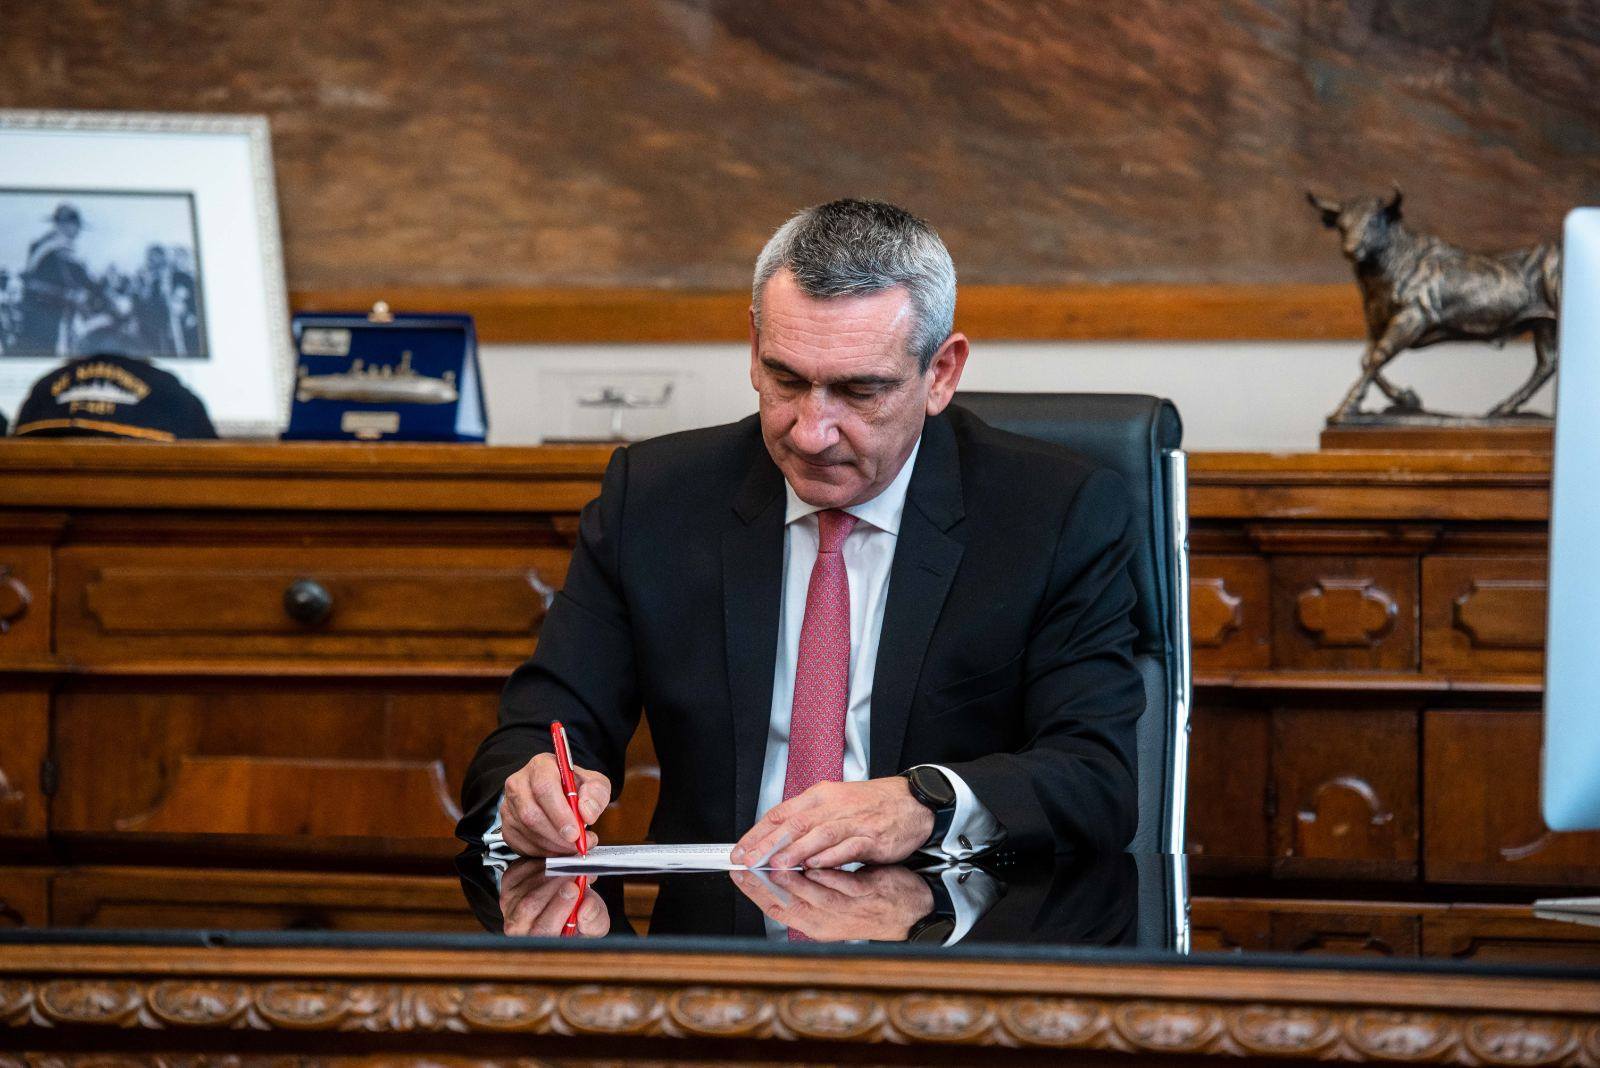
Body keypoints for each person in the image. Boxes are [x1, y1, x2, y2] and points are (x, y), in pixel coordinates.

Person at [459, 198, 1144, 870]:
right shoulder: (657, 498)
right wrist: (532, 793)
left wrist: (924, 804)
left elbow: (1094, 778)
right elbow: (540, 727)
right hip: (716, 925)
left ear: (940, 373)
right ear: (754, 349)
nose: (811, 433)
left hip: (952, 921)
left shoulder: (1053, 514)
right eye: (785, 380)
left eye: (859, 391)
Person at [16, 203, 93, 357]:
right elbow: (74, 278)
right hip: (43, 312)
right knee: (41, 351)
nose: (78, 231)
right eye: (76, 226)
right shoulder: (55, 248)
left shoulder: (43, 245)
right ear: (65, 225)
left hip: (41, 310)